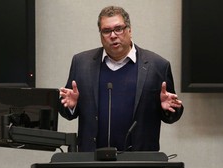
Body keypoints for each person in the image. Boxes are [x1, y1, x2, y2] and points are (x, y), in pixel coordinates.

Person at [59, 6, 183, 152]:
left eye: (118, 29)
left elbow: (171, 116)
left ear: (129, 30)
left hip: (140, 162)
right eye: (106, 31)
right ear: (101, 34)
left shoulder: (158, 66)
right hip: (92, 162)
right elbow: (67, 111)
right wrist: (71, 106)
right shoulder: (81, 63)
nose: (113, 35)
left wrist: (170, 109)